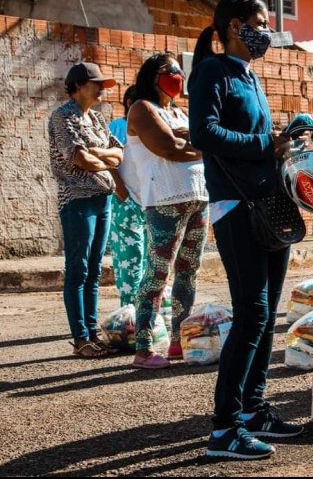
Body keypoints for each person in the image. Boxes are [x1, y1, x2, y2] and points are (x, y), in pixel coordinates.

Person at [189, 0, 303, 460]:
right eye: (260, 21)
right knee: (251, 313)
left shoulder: (249, 77)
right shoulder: (211, 72)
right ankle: (224, 429)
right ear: (236, 26)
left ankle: (254, 410)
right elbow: (204, 133)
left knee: (268, 314)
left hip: (267, 204)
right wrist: (265, 144)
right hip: (235, 207)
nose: (266, 30)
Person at [120, 53, 208, 369]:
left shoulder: (180, 113)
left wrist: (192, 141)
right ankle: (143, 349)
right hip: (165, 203)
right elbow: (167, 148)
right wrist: (202, 147)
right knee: (158, 272)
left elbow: (190, 141)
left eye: (179, 70)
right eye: (170, 70)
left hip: (198, 198)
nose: (177, 75)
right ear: (152, 76)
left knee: (189, 271)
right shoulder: (142, 109)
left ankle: (177, 341)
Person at [48, 62, 123, 358]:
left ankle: (93, 333)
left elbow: (119, 153)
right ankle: (80, 339)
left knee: (94, 270)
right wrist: (101, 158)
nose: (102, 89)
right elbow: (80, 159)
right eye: (97, 84)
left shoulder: (97, 118)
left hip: (103, 197)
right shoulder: (62, 117)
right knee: (77, 270)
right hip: (77, 199)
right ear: (79, 85)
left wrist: (99, 156)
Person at [108, 85, 148, 306]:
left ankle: (147, 315)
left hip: (150, 202)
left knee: (149, 261)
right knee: (130, 262)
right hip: (128, 201)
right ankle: (129, 318)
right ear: (130, 103)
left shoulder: (152, 128)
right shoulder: (118, 126)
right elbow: (109, 163)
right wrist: (122, 193)